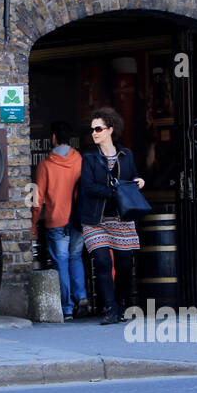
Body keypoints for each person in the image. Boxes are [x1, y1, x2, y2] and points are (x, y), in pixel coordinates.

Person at [77, 107, 145, 324]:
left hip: (121, 218)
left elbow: (132, 177)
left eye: (98, 128)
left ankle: (120, 303)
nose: (94, 133)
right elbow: (88, 187)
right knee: (103, 262)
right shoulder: (88, 158)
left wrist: (138, 182)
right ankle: (110, 308)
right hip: (95, 219)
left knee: (125, 264)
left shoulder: (126, 155)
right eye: (92, 129)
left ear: (110, 130)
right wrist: (115, 191)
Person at [32, 120, 87, 320]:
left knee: (61, 262)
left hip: (57, 219)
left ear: (53, 138)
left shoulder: (46, 166)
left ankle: (68, 308)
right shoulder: (80, 160)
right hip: (78, 219)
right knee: (76, 257)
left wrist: (33, 224)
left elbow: (37, 200)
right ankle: (81, 295)